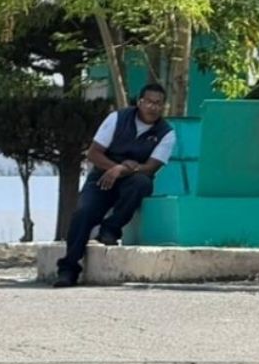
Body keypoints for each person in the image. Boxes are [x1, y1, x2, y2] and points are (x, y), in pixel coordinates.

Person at [55, 84, 176, 287]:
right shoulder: (117, 118)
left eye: (158, 103)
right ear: (139, 102)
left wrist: (122, 170)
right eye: (148, 102)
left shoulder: (167, 133)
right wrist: (114, 168)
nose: (153, 107)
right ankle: (68, 269)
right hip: (102, 177)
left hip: (132, 179)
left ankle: (110, 229)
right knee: (83, 212)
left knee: (141, 184)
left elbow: (151, 168)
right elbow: (94, 153)